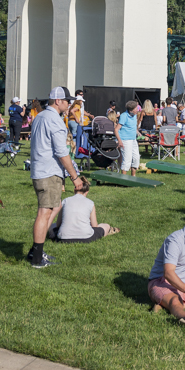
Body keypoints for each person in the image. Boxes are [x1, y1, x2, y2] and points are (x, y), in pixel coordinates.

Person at [27, 86, 82, 268]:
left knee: (55, 206)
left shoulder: (40, 116)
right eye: (67, 101)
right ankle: (36, 258)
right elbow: (62, 152)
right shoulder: (55, 121)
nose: (69, 104)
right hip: (49, 172)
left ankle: (36, 251)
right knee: (44, 212)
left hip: (39, 169)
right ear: (57, 101)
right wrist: (75, 177)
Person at [48, 176, 118, 242]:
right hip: (86, 237)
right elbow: (95, 226)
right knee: (105, 226)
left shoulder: (65, 201)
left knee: (51, 226)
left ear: (74, 189)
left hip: (63, 238)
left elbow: (58, 224)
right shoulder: (90, 203)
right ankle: (110, 229)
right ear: (87, 192)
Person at [117, 100, 141, 175]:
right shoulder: (124, 116)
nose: (137, 110)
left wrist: (137, 132)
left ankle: (133, 176)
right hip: (125, 140)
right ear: (130, 110)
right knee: (127, 160)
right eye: (136, 109)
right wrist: (119, 141)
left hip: (133, 139)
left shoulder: (135, 115)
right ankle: (123, 179)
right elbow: (116, 129)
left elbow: (133, 126)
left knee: (136, 158)